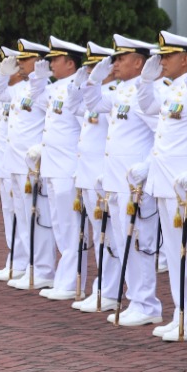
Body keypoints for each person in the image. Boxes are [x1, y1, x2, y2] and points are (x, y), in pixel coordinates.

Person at [140, 31, 187, 342]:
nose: (162, 62)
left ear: (186, 59)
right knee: (172, 254)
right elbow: (146, 108)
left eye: (167, 56)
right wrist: (145, 81)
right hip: (165, 184)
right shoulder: (171, 91)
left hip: (183, 188)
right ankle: (180, 313)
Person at [85, 34, 162, 327]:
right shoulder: (121, 91)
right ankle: (135, 299)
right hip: (116, 182)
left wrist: (146, 168)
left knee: (139, 243)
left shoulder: (146, 93)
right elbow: (92, 103)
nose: (115, 63)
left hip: (134, 183)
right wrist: (94, 79)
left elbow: (161, 136)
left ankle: (147, 303)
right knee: (123, 242)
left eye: (120, 58)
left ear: (138, 62)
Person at [36, 37, 90, 300]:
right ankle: (63, 279)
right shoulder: (56, 87)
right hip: (52, 166)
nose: (50, 64)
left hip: (68, 167)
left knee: (71, 228)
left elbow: (84, 131)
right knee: (59, 225)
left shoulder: (77, 88)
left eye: (55, 59)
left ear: (70, 63)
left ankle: (72, 283)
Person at [71, 41, 116, 311]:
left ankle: (108, 290)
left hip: (103, 175)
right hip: (88, 175)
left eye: (95, 67)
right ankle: (102, 286)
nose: (90, 72)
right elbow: (73, 107)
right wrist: (79, 82)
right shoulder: (95, 97)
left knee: (107, 237)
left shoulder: (112, 96)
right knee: (100, 237)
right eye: (88, 67)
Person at [7, 39, 56, 290]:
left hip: (33, 166)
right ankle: (29, 265)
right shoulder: (20, 89)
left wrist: (42, 149)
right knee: (25, 219)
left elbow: (55, 124)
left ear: (38, 62)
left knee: (39, 218)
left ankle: (44, 269)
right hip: (16, 163)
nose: (19, 64)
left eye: (24, 60)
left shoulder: (44, 90)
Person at [0, 46, 30, 282]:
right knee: (9, 211)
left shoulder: (24, 91)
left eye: (9, 66)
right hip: (5, 161)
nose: (5, 70)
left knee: (24, 213)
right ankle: (16, 259)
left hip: (20, 163)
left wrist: (1, 79)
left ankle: (26, 261)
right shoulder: (10, 93)